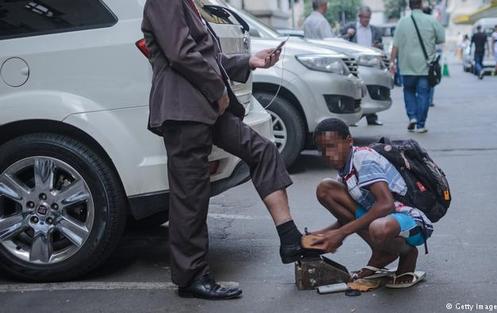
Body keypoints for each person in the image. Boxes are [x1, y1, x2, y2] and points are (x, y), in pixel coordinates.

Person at [142, 0, 309, 300]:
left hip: (207, 108)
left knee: (263, 151)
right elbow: (181, 54)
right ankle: (191, 277)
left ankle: (289, 238)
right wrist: (217, 91)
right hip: (184, 111)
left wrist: (249, 61)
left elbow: (210, 58)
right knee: (190, 197)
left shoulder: (192, 5)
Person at [310, 118, 433, 288]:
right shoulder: (345, 171)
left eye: (332, 146)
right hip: (384, 220)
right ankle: (384, 251)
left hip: (412, 222)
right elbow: (349, 217)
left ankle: (405, 253)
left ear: (349, 141)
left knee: (379, 228)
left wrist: (341, 234)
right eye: (322, 150)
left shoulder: (363, 159)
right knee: (326, 189)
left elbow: (385, 205)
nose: (328, 155)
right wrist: (321, 235)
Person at [389, 0, 445, 133]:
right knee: (424, 94)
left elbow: (395, 45)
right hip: (426, 66)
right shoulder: (431, 21)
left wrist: (392, 62)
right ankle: (421, 124)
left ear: (409, 6)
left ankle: (412, 116)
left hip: (407, 65)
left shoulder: (402, 22)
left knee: (408, 91)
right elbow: (441, 38)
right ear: (421, 5)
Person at [340, 5, 384, 126]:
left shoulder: (375, 30)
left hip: (370, 65)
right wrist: (348, 35)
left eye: (368, 18)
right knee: (354, 91)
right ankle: (353, 118)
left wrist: (378, 47)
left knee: (371, 90)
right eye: (365, 18)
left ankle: (372, 117)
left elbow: (381, 47)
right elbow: (339, 42)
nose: (367, 20)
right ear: (359, 17)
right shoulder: (350, 28)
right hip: (355, 65)